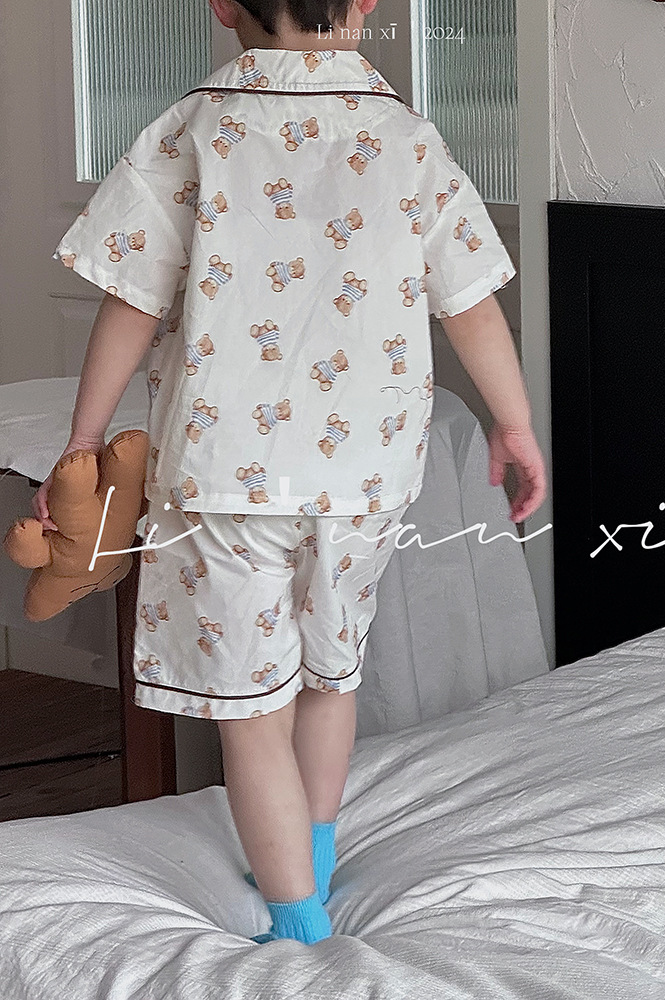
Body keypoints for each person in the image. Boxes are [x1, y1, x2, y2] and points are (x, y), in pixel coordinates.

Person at [34, 0, 546, 945]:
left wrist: (85, 435)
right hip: (365, 472)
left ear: (223, 6)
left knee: (250, 710)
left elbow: (131, 299)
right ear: (367, 4)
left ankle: (299, 918)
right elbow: (470, 301)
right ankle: (309, 858)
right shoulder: (408, 137)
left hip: (225, 472)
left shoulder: (195, 128)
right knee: (329, 678)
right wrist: (513, 425)